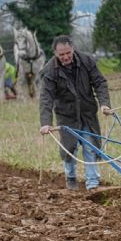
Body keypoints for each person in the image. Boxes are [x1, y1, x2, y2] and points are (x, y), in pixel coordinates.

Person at [39, 35, 112, 191]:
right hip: (67, 116)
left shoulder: (87, 61)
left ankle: (92, 183)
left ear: (72, 48)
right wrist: (46, 122)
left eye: (68, 53)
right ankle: (71, 177)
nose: (65, 57)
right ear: (55, 54)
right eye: (61, 55)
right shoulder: (50, 71)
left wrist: (104, 104)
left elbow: (100, 82)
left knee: (90, 146)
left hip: (87, 113)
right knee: (69, 149)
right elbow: (46, 98)